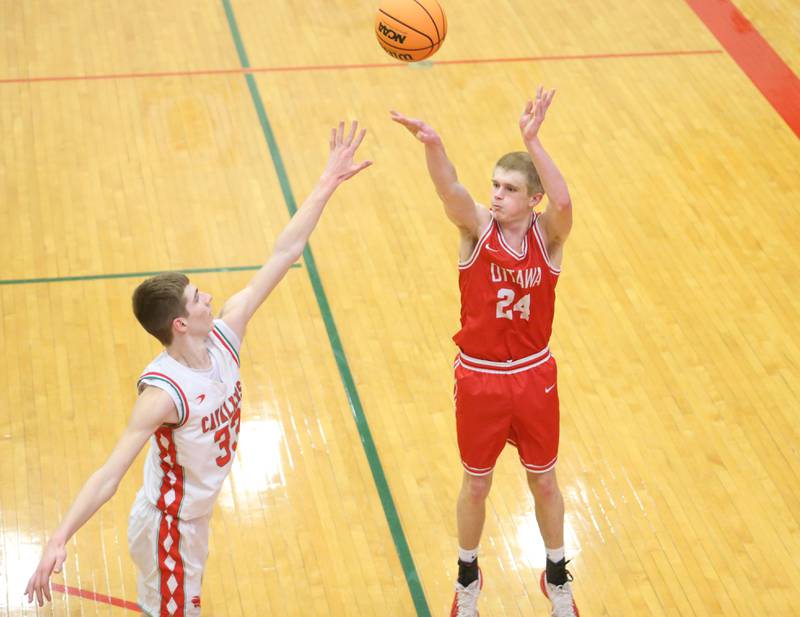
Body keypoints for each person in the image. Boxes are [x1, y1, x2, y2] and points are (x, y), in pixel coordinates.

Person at [24, 121, 372, 616]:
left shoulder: (228, 332)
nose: (209, 295)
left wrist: (327, 182)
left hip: (191, 519)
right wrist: (60, 537)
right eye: (196, 297)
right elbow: (110, 473)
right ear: (180, 323)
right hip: (170, 523)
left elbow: (284, 252)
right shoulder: (163, 394)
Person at [391, 87, 579, 617]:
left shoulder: (551, 236)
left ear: (532, 198)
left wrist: (533, 141)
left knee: (544, 480)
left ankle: (557, 576)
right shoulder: (476, 230)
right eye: (495, 185)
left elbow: (565, 203)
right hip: (478, 377)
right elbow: (449, 188)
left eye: (510, 188)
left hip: (533, 375)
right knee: (476, 484)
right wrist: (432, 145)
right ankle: (467, 578)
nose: (496, 195)